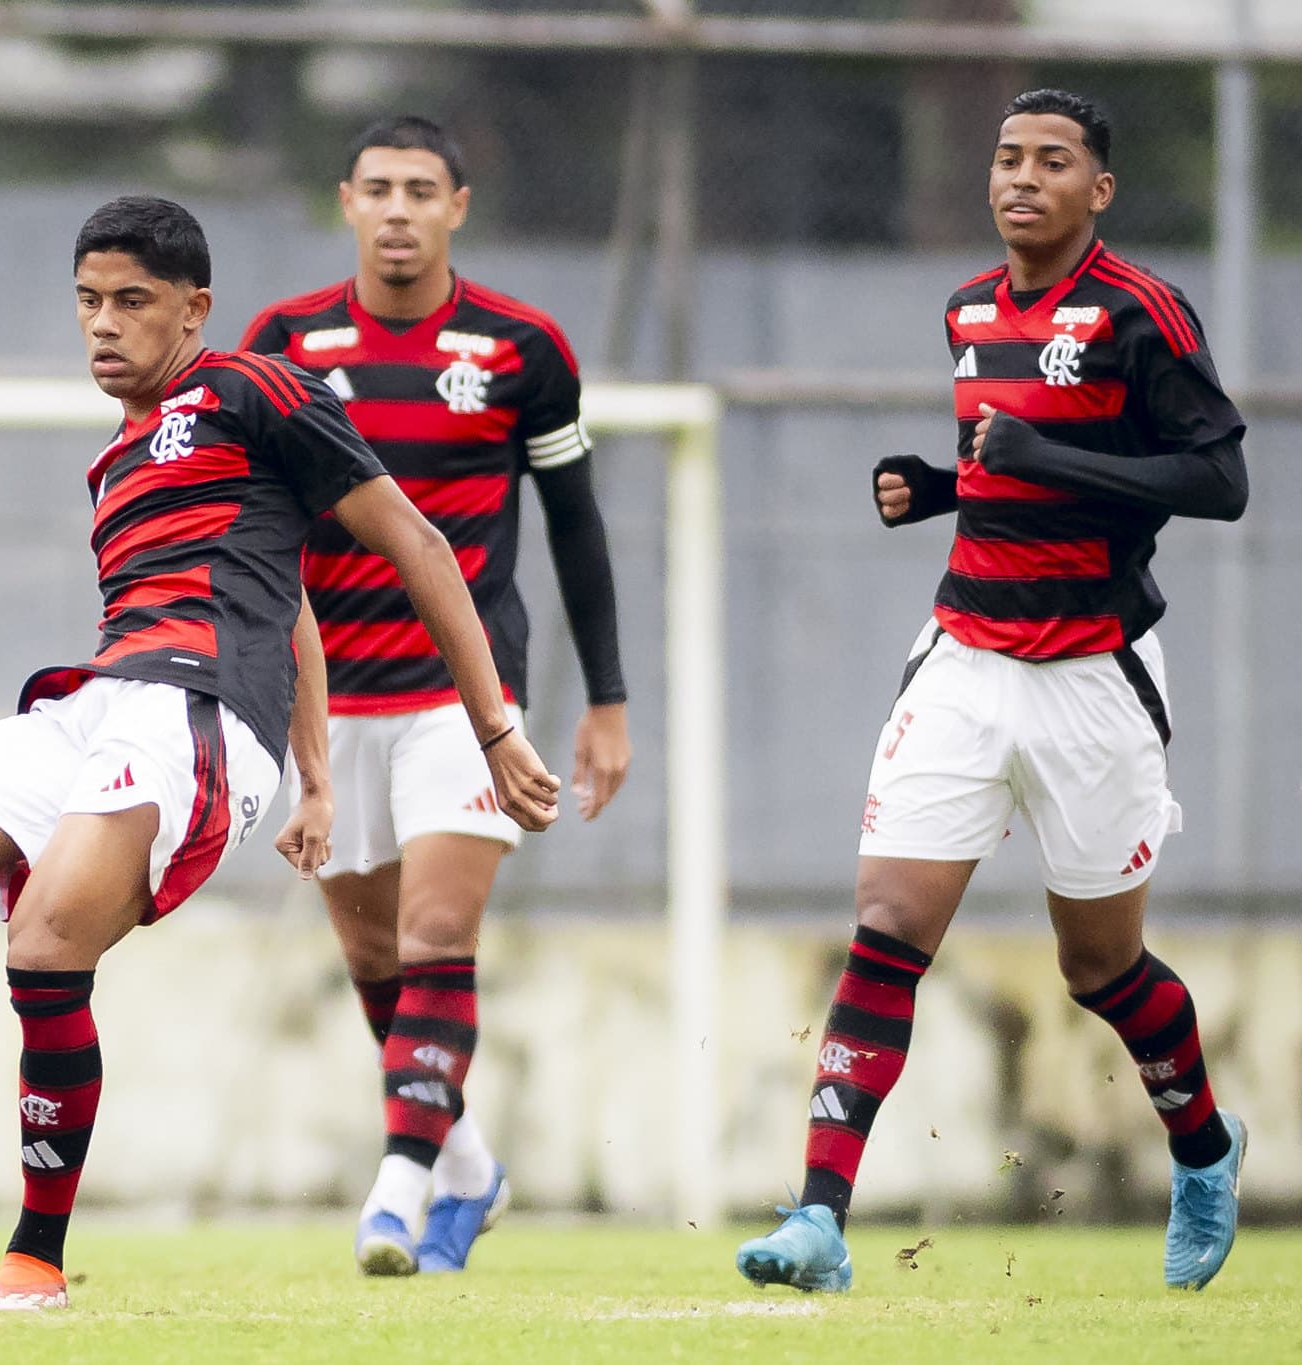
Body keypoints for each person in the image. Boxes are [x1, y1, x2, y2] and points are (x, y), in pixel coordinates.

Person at [0, 194, 561, 1311]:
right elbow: (288, 609)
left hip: (196, 718)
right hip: (98, 700)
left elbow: (417, 541)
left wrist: (493, 728)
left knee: (43, 946)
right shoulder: (117, 458)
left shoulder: (255, 387)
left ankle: (35, 1258)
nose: (102, 324)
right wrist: (321, 774)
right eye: (87, 302)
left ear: (194, 308)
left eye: (131, 302)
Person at [736, 89, 1249, 1295]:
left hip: (1092, 676)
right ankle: (817, 1219)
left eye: (1050, 161)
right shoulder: (967, 306)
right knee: (887, 926)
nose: (1020, 177)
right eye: (1006, 156)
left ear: (1096, 190)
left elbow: (1217, 479)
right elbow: (1007, 459)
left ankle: (1204, 1147)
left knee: (1097, 970)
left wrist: (1039, 459)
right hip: (964, 656)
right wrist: (943, 483)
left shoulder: (1142, 312)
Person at [242, 116, 630, 1276]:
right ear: (346, 204)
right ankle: (465, 1166)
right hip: (330, 701)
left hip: (464, 701)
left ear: (457, 205)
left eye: (421, 189)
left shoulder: (522, 349)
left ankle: (394, 1190)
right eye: (377, 189)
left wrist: (604, 698)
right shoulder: (284, 343)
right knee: (373, 964)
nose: (399, 208)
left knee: (437, 932)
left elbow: (575, 528)